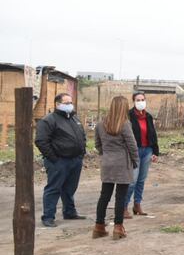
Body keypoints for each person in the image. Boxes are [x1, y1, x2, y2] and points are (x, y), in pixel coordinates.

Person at [35, 93, 87, 227]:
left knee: (70, 188)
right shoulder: (49, 120)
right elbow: (41, 141)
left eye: (71, 102)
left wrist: (81, 153)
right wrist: (54, 158)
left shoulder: (74, 118)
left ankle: (69, 212)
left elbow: (82, 136)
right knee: (54, 188)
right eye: (67, 103)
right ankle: (48, 217)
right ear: (58, 104)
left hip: (75, 160)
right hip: (59, 161)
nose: (70, 105)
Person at [93, 96, 139, 240]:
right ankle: (118, 227)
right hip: (122, 164)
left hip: (107, 163)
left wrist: (105, 154)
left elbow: (97, 143)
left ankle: (99, 226)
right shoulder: (125, 124)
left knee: (104, 195)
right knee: (120, 196)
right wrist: (135, 160)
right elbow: (132, 145)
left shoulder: (100, 124)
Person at [123, 92, 160, 219]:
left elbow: (153, 135)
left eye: (142, 99)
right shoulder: (128, 116)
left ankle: (137, 204)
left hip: (147, 150)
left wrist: (155, 152)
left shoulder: (148, 116)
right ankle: (123, 206)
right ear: (133, 101)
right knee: (132, 180)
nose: (140, 102)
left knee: (141, 180)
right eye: (138, 100)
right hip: (134, 151)